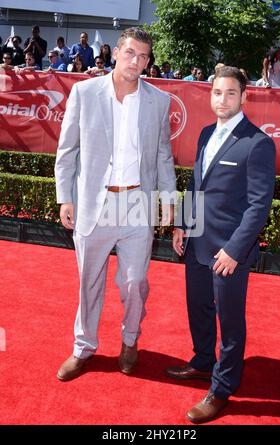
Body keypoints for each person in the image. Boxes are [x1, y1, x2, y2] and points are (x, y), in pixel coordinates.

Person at [55, 27, 176, 382]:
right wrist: (65, 197)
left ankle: (129, 341)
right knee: (88, 282)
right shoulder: (85, 92)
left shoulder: (158, 100)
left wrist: (168, 199)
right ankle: (83, 347)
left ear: (148, 61)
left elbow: (163, 156)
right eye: (130, 53)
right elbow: (67, 152)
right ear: (116, 53)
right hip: (95, 202)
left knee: (135, 282)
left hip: (137, 202)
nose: (136, 61)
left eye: (143, 57)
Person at [167, 66, 276, 423]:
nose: (223, 99)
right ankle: (202, 361)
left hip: (229, 252)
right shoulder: (203, 134)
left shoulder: (258, 143)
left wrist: (234, 250)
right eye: (217, 93)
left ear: (244, 97)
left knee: (229, 321)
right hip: (196, 241)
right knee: (197, 307)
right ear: (210, 95)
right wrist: (182, 224)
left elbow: (259, 206)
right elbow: (196, 185)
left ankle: (222, 387)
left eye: (231, 93)